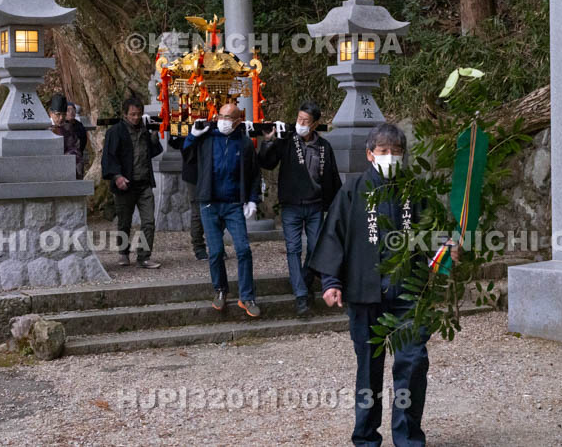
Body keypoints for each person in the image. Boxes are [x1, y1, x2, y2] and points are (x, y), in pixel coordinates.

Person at [310, 122, 459, 447]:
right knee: (368, 368)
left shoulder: (415, 190)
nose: (390, 156)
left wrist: (446, 248)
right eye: (383, 151)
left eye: (396, 151)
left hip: (409, 292)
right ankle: (366, 438)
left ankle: (408, 438)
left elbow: (434, 232)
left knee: (413, 362)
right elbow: (335, 235)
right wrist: (331, 281)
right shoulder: (353, 190)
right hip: (364, 293)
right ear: (370, 154)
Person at [258, 100, 341, 315]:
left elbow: (332, 177)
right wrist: (268, 142)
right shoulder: (286, 141)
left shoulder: (324, 147)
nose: (301, 124)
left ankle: (302, 280)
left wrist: (336, 206)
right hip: (291, 205)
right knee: (293, 248)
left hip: (315, 205)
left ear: (315, 124)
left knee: (315, 247)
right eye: (299, 119)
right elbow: (267, 162)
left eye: (306, 121)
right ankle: (301, 295)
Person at [183, 102, 262, 317]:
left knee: (243, 249)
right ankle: (220, 289)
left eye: (228, 118)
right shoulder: (207, 138)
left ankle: (247, 296)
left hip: (234, 203)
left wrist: (252, 200)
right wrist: (193, 136)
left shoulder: (244, 143)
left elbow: (254, 174)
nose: (223, 121)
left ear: (237, 121)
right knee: (216, 251)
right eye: (221, 116)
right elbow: (187, 154)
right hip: (209, 202)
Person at [101, 97, 164, 268]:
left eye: (139, 114)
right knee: (124, 222)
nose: (136, 117)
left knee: (149, 221)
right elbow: (109, 157)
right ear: (125, 114)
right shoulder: (115, 132)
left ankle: (144, 256)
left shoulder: (144, 130)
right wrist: (117, 176)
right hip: (125, 183)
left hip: (144, 183)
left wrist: (154, 135)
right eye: (132, 114)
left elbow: (152, 152)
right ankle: (123, 252)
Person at [167, 133, 208, 261]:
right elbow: (175, 142)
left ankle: (215, 244)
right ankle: (199, 246)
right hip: (193, 169)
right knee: (197, 210)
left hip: (210, 168)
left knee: (216, 208)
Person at [48, 93, 87, 179]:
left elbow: (74, 147)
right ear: (50, 113)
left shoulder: (68, 127)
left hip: (66, 164)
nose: (61, 118)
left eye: (63, 114)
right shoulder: (45, 128)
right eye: (58, 114)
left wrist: (67, 157)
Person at [65, 102, 89, 178]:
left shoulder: (79, 125)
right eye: (68, 110)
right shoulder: (62, 125)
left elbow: (84, 140)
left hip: (78, 156)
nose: (71, 112)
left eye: (73, 110)